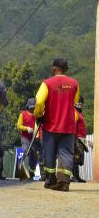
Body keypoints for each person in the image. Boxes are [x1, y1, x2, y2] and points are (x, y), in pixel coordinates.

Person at [34, 58, 80, 192]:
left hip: (51, 125)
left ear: (54, 69)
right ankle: (64, 182)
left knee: (49, 152)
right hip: (68, 126)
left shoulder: (47, 83)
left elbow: (38, 102)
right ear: (66, 69)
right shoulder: (74, 84)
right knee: (66, 153)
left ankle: (50, 180)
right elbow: (75, 101)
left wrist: (38, 115)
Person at [16, 98, 43, 179]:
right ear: (27, 106)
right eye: (31, 107)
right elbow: (18, 125)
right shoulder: (23, 114)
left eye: (34, 107)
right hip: (25, 138)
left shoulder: (37, 115)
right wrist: (27, 128)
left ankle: (32, 172)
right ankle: (24, 172)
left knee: (34, 156)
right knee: (26, 151)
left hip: (35, 139)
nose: (32, 109)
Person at [73, 97, 89, 183]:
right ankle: (74, 177)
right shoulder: (74, 112)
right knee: (75, 158)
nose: (79, 103)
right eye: (78, 102)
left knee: (78, 158)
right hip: (76, 138)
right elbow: (73, 125)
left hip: (81, 138)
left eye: (81, 102)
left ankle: (77, 176)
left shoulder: (80, 113)